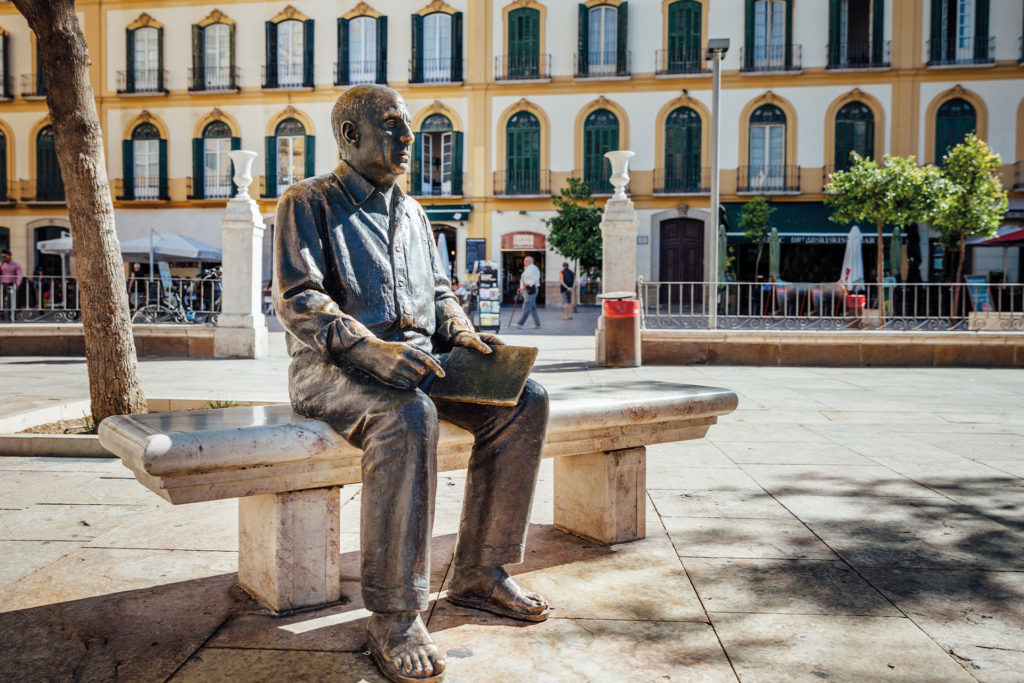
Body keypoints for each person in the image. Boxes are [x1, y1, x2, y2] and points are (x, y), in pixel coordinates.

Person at [273, 85, 549, 683]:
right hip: (331, 370)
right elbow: (299, 298)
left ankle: (480, 571)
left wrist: (463, 332)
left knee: (525, 399)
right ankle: (396, 614)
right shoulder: (307, 202)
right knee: (408, 415)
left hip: (421, 359)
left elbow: (441, 293)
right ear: (350, 135)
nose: (408, 137)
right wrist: (367, 350)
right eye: (393, 125)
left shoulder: (416, 213)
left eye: (409, 127)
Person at [513, 255, 541, 328]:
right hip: (526, 290)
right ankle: (537, 324)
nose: (524, 262)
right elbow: (524, 280)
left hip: (530, 290)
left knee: (526, 306)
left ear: (530, 261)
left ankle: (520, 324)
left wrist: (527, 284)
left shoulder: (533, 268)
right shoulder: (527, 269)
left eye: (526, 261)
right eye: (524, 261)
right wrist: (521, 288)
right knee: (532, 308)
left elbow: (535, 279)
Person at [0, 249, 23, 320]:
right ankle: (2, 314)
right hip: (3, 284)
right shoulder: (1, 264)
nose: (4, 258)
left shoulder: (16, 265)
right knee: (1, 300)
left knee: (12, 301)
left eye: (5, 257)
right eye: (3, 257)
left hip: (11, 284)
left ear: (10, 256)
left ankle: (12, 315)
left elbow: (19, 275)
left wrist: (17, 284)